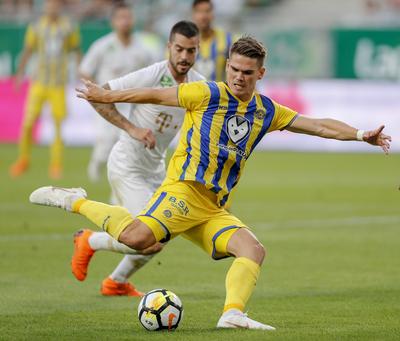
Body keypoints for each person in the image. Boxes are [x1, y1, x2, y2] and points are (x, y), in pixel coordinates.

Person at [30, 36, 391, 330]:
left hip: (212, 207)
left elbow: (319, 125)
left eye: (247, 72)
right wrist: (108, 96)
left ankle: (232, 314)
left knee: (253, 251)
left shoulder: (266, 111)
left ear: (260, 72)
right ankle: (73, 200)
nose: (238, 77)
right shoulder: (206, 94)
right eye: (234, 69)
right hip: (184, 190)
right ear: (226, 67)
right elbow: (156, 94)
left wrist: (362, 135)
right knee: (137, 239)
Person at [74, 21, 204, 296]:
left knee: (163, 236)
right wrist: (131, 128)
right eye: (179, 49)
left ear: (197, 51)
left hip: (158, 171)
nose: (184, 57)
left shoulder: (199, 85)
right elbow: (100, 96)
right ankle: (90, 241)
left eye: (190, 51)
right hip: (128, 166)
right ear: (169, 47)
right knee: (150, 239)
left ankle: (116, 282)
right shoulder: (152, 75)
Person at [80, 3, 160, 183]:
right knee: (105, 145)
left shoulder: (144, 48)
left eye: (128, 17)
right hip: (107, 103)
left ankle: (123, 182)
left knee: (131, 145)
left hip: (133, 104)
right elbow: (85, 69)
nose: (125, 22)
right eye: (121, 18)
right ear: (113, 21)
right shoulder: (102, 46)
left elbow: (155, 72)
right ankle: (97, 162)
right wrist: (94, 91)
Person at [9, 0, 81, 179]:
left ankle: (56, 165)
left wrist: (82, 74)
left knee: (58, 126)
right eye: (49, 5)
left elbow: (76, 50)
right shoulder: (36, 26)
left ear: (60, 7)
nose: (52, 8)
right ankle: (23, 160)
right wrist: (19, 75)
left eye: (55, 5)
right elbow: (28, 50)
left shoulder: (68, 27)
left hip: (58, 84)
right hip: (38, 82)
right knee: (27, 123)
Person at [192, 0, 234, 81]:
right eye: (199, 11)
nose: (203, 16)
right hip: (191, 93)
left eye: (207, 11)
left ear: (213, 14)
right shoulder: (184, 42)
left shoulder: (228, 40)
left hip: (220, 93)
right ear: (193, 15)